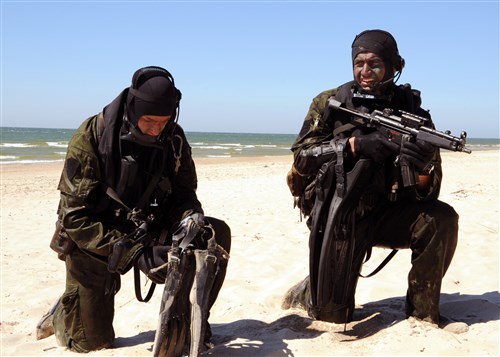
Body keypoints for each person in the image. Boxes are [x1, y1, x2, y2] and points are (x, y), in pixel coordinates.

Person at [36, 66, 231, 352]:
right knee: (91, 343)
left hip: (151, 225)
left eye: (163, 121)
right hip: (97, 238)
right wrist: (135, 253)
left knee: (213, 233)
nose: (156, 129)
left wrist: (191, 219)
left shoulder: (173, 139)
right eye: (149, 121)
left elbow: (185, 194)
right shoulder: (91, 136)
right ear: (133, 109)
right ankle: (65, 313)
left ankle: (195, 319)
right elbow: (75, 218)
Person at [282, 30, 458, 326]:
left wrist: (423, 167)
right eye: (358, 63)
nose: (365, 71)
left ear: (393, 66)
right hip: (339, 214)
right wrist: (354, 146)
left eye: (374, 63)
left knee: (441, 218)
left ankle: (422, 314)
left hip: (389, 212)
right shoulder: (330, 102)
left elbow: (430, 193)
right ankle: (306, 291)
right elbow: (302, 157)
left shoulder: (414, 115)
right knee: (333, 317)